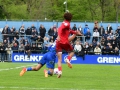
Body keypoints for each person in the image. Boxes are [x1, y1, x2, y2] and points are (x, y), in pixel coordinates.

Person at [56, 12, 82, 78]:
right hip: (64, 42)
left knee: (59, 59)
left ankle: (59, 71)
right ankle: (68, 59)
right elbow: (60, 29)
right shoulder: (67, 24)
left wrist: (76, 32)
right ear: (70, 18)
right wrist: (59, 35)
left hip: (58, 42)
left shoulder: (64, 22)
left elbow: (69, 30)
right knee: (72, 52)